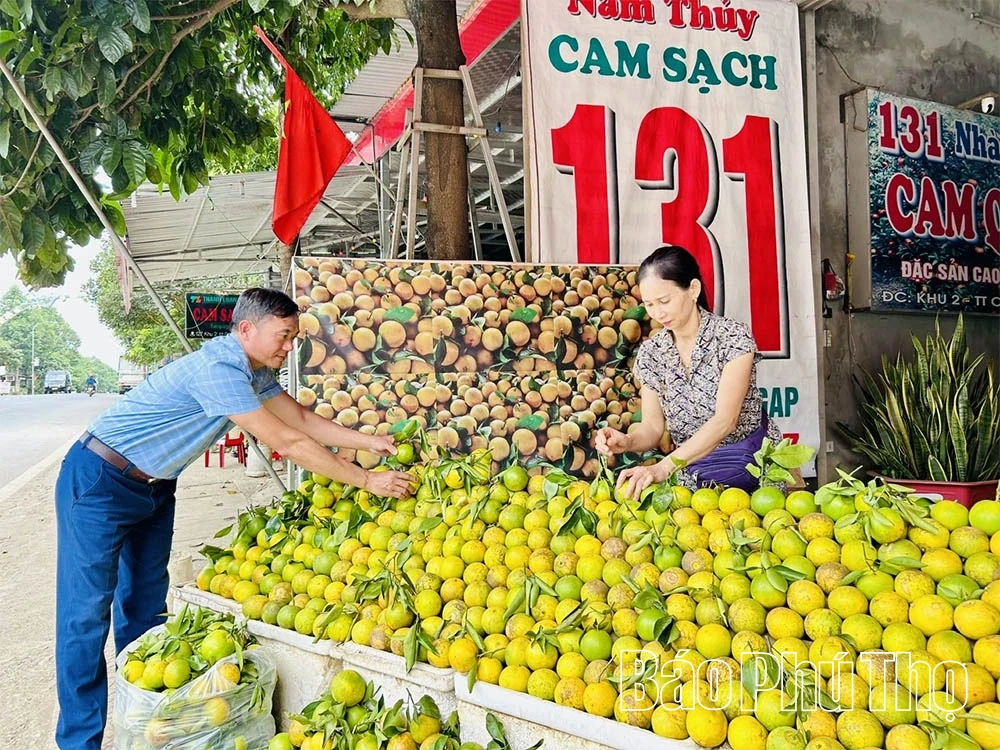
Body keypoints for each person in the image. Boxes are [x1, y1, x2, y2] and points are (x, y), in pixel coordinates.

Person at [54, 288, 413, 750]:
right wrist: (366, 481)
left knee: (143, 609)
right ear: (247, 329)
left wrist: (369, 443)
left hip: (154, 488)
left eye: (293, 337)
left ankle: (143, 722)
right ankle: (78, 741)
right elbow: (289, 441)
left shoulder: (254, 372)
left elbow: (299, 417)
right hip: (101, 480)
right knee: (84, 618)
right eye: (283, 337)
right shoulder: (219, 369)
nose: (289, 347)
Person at [596, 246, 781, 499]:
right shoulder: (652, 352)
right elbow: (651, 426)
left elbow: (726, 421)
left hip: (753, 468)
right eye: (649, 304)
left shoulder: (732, 337)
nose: (658, 313)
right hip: (693, 473)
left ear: (693, 289)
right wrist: (626, 441)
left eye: (664, 301)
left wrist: (664, 467)